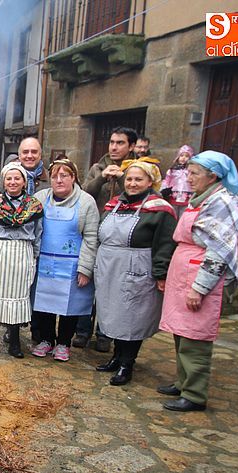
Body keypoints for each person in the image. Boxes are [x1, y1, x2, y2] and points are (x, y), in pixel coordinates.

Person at [157, 151, 238, 412]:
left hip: (199, 277)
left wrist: (200, 287)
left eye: (195, 173)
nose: (189, 178)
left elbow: (218, 250)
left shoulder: (223, 203)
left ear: (213, 175)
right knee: (181, 332)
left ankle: (194, 394)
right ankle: (183, 382)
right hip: (184, 273)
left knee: (195, 336)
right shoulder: (202, 199)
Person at [93, 161, 177, 385]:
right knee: (115, 314)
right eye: (129, 179)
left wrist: (161, 274)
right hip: (110, 267)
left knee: (133, 317)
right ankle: (116, 356)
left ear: (151, 182)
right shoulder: (115, 204)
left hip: (137, 268)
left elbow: (165, 245)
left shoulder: (160, 209)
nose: (132, 184)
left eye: (138, 179)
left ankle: (126, 363)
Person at [0, 162, 44, 360]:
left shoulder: (34, 206)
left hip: (22, 255)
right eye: (9, 178)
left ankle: (14, 342)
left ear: (24, 182)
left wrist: (33, 258)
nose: (13, 182)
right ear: (4, 182)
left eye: (17, 178)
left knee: (17, 302)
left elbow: (38, 235)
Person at [76, 126, 138, 352]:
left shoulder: (139, 170)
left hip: (121, 239)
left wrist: (122, 179)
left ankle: (105, 334)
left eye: (120, 143)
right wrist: (102, 178)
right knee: (86, 282)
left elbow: (139, 195)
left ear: (131, 146)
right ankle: (82, 330)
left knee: (111, 288)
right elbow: (84, 193)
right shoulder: (97, 167)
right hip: (95, 234)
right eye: (112, 142)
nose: (114, 147)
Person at [30, 159, 99, 361]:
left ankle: (63, 343)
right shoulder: (41, 198)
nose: (59, 180)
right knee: (44, 303)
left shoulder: (86, 202)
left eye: (64, 176)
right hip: (44, 264)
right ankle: (46, 339)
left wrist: (85, 268)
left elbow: (91, 236)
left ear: (73, 177)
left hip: (72, 265)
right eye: (54, 176)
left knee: (70, 306)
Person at [161, 145, 195, 218]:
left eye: (186, 156)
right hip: (174, 195)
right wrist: (164, 189)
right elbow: (167, 181)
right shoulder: (172, 170)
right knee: (173, 214)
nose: (183, 158)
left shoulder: (190, 171)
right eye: (181, 155)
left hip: (186, 195)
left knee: (184, 214)